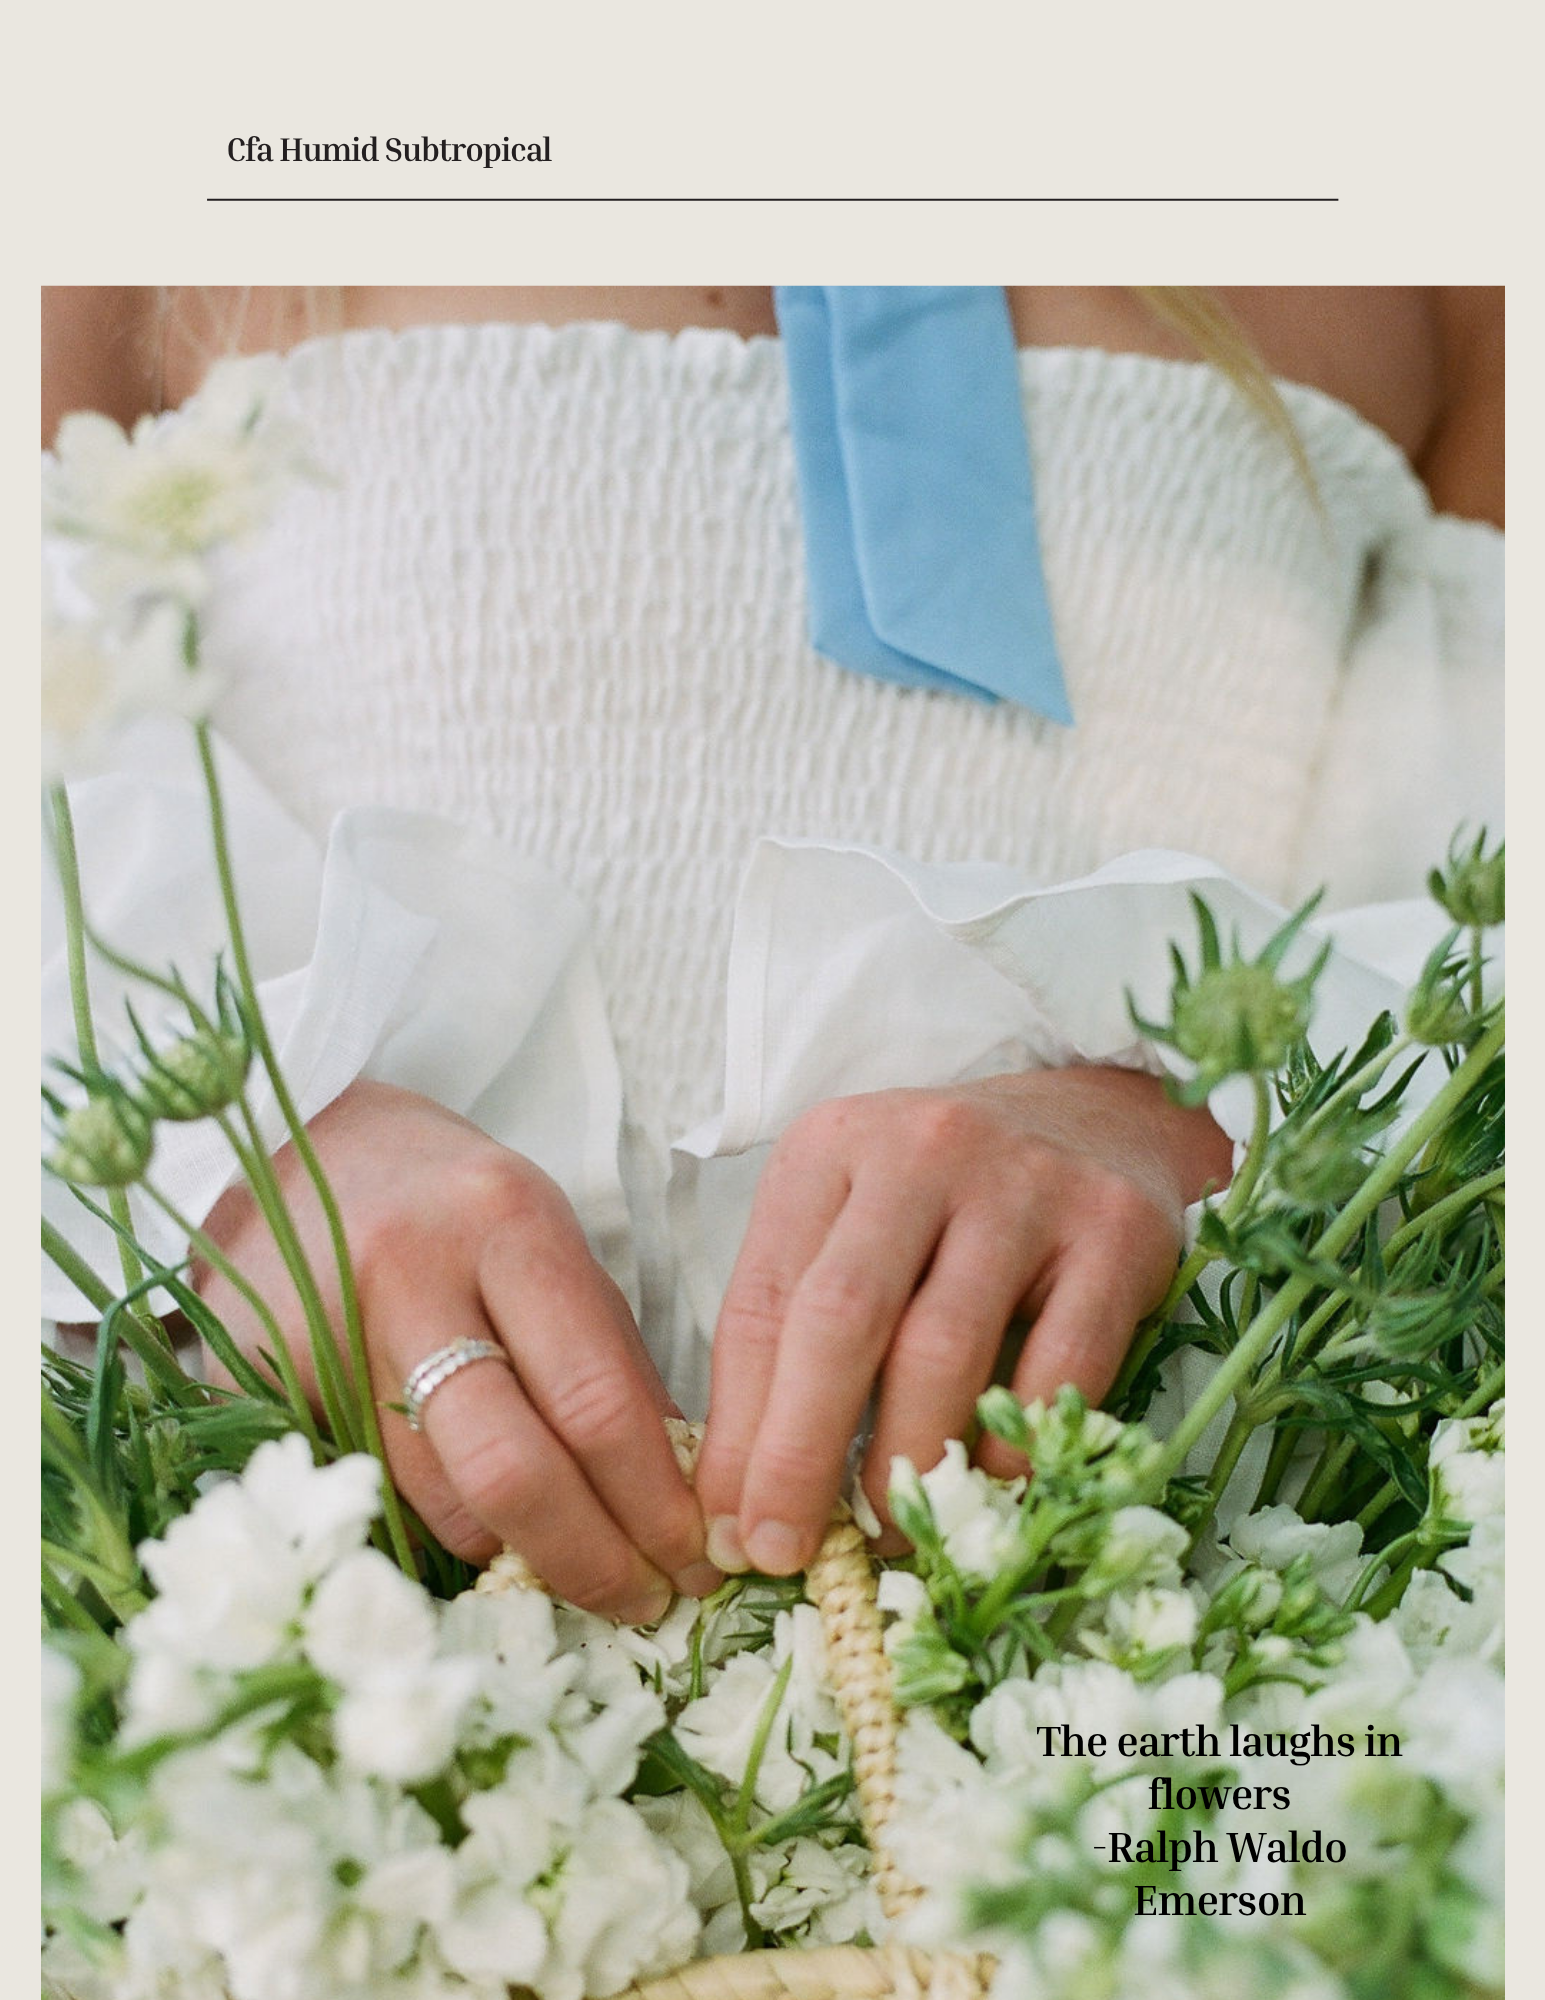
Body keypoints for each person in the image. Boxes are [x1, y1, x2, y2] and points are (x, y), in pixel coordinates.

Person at [42, 285, 1504, 1626]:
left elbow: (1481, 889)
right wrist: (245, 1160)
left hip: (1137, 1665)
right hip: (288, 1637)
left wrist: (1190, 1124)